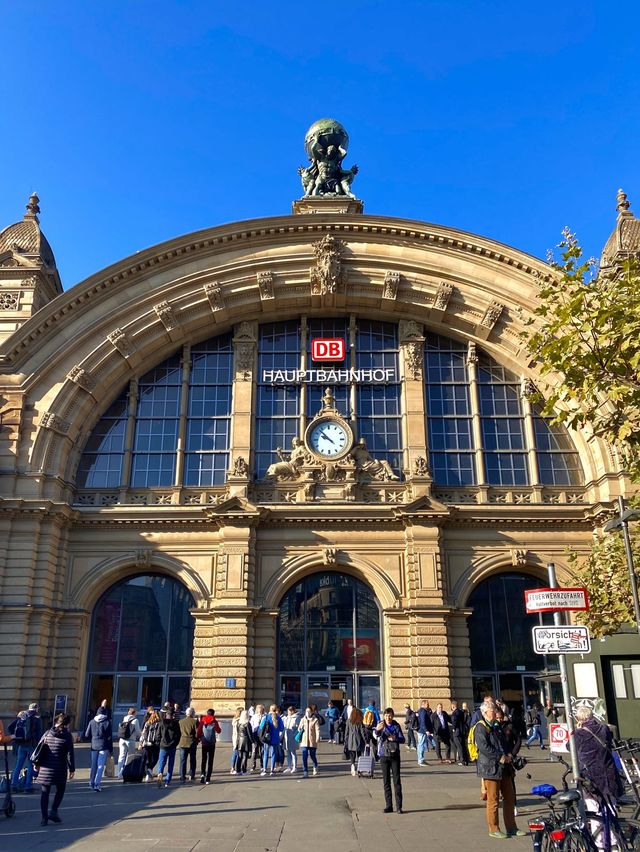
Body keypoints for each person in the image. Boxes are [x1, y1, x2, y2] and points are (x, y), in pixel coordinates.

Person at [474, 700, 525, 839]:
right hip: (490, 768)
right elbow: (484, 748)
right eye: (492, 711)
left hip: (504, 767)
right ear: (485, 713)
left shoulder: (496, 726)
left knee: (509, 797)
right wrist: (500, 757)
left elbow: (503, 743)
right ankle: (494, 828)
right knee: (493, 800)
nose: (495, 713)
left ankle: (511, 827)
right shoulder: (480, 727)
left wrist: (509, 754)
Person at [574, 705, 623, 806]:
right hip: (608, 772)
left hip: (590, 775)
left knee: (594, 808)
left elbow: (569, 747)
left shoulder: (579, 734)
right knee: (611, 807)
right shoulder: (604, 729)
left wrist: (578, 730)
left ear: (579, 719)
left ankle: (597, 820)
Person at [33, 713, 75, 827]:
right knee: (60, 789)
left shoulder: (47, 733)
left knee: (44, 792)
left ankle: (44, 818)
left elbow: (40, 748)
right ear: (67, 724)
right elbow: (70, 754)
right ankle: (54, 810)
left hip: (46, 767)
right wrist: (72, 769)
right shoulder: (67, 736)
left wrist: (37, 763)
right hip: (60, 768)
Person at [374, 707, 405, 814]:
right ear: (384, 716)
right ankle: (389, 805)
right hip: (384, 755)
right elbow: (376, 735)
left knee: (397, 781)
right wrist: (378, 729)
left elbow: (403, 739)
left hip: (395, 755)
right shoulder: (381, 725)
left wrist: (395, 738)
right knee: (386, 782)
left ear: (393, 716)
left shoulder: (396, 725)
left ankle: (399, 806)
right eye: (386, 715)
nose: (388, 717)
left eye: (390, 715)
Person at [9, 702, 42, 793]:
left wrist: (16, 736)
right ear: (36, 709)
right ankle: (28, 787)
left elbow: (10, 727)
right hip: (32, 745)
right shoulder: (37, 718)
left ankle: (14, 785)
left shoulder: (22, 716)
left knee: (18, 765)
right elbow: (39, 734)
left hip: (21, 744)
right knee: (31, 765)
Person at [84, 705, 113, 792]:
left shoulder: (92, 721)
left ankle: (91, 782)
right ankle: (97, 784)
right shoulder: (107, 722)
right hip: (103, 746)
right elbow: (109, 738)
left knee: (94, 765)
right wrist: (110, 750)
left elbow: (86, 735)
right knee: (100, 766)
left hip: (94, 746)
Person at [156, 708, 181, 787]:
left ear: (166, 714)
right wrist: (175, 743)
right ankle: (168, 780)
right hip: (172, 746)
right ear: (173, 715)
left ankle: (160, 773)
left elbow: (158, 735)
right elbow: (178, 735)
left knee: (161, 762)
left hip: (163, 745)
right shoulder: (176, 723)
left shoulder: (161, 723)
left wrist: (159, 742)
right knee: (171, 763)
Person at [197, 708, 221, 784]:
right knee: (210, 761)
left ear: (207, 713)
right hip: (211, 743)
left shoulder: (202, 721)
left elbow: (199, 731)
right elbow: (219, 731)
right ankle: (208, 778)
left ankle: (202, 775)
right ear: (213, 714)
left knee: (204, 760)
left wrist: (198, 738)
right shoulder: (214, 721)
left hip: (204, 743)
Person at [259, 704, 284, 776]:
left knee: (265, 754)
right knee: (273, 754)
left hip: (267, 738)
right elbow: (282, 728)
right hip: (275, 738)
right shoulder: (278, 718)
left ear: (270, 709)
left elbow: (261, 727)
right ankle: (272, 770)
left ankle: (264, 769)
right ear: (276, 710)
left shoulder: (266, 717)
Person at [116, 707, 141, 778]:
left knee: (121, 756)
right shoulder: (135, 720)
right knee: (129, 757)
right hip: (131, 740)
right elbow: (138, 731)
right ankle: (125, 771)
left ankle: (119, 774)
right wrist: (141, 736)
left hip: (122, 739)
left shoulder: (124, 718)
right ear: (134, 713)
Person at [298, 706, 321, 777]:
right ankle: (305, 772)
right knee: (304, 757)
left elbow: (317, 730)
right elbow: (299, 728)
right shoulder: (302, 719)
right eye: (306, 711)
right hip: (304, 741)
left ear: (312, 712)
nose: (307, 713)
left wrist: (317, 738)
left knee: (312, 755)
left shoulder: (315, 720)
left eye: (309, 711)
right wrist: (300, 728)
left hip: (312, 741)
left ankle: (315, 766)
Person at [139, 709, 162, 781]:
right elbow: (160, 735)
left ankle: (147, 774)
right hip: (155, 744)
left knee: (147, 759)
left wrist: (141, 743)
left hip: (146, 743)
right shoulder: (159, 724)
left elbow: (143, 733)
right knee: (155, 758)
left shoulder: (147, 723)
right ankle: (149, 771)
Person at [178, 707, 198, 782]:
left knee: (183, 760)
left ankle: (182, 776)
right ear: (193, 713)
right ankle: (191, 775)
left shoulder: (181, 721)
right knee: (192, 760)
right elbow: (197, 733)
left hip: (183, 742)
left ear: (186, 713)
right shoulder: (194, 721)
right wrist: (197, 740)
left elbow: (179, 733)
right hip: (192, 742)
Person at [344, 706, 366, 776]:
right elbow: (362, 732)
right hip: (359, 739)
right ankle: (359, 769)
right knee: (359, 755)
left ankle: (352, 766)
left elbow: (346, 732)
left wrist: (346, 741)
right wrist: (366, 740)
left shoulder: (348, 721)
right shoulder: (360, 721)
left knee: (352, 754)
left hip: (351, 740)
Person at [235, 710, 254, 774]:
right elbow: (249, 734)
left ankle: (238, 770)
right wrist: (252, 741)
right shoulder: (247, 724)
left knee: (239, 756)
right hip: (246, 741)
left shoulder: (238, 723)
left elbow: (238, 732)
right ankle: (244, 770)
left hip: (239, 740)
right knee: (245, 756)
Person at [416, 699, 434, 766]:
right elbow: (423, 722)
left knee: (421, 744)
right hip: (422, 731)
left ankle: (421, 759)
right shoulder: (423, 711)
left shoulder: (421, 711)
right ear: (423, 704)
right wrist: (426, 730)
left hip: (421, 730)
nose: (428, 705)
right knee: (421, 745)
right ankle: (421, 760)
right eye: (427, 704)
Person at [282, 706, 300, 774]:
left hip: (292, 737)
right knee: (288, 752)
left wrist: (294, 735)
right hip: (286, 737)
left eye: (289, 711)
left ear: (292, 711)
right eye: (288, 711)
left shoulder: (297, 717)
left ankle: (294, 767)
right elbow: (284, 727)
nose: (288, 712)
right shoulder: (286, 718)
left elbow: (298, 728)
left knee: (293, 752)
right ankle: (289, 766)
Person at [250, 704, 266, 772]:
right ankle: (253, 765)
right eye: (259, 710)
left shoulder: (265, 716)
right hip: (255, 734)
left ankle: (262, 765)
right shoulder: (254, 717)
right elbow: (251, 725)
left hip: (262, 735)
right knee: (255, 750)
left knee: (262, 750)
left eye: (261, 710)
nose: (260, 712)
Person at [230, 707, 242, 774]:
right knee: (236, 753)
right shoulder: (238, 721)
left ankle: (233, 768)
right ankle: (233, 768)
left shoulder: (234, 719)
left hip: (235, 738)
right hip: (238, 739)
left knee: (236, 753)